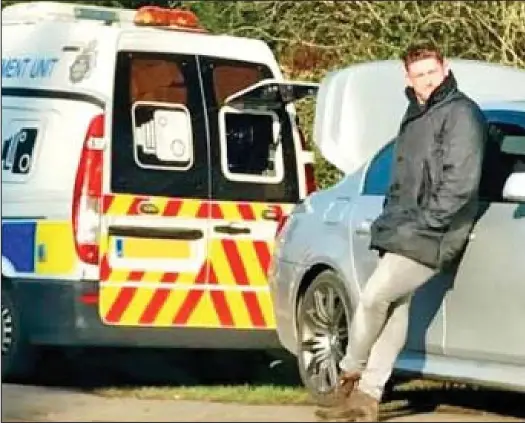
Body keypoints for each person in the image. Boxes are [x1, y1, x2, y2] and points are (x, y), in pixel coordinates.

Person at [316, 43, 488, 422]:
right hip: (405, 228)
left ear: (445, 69)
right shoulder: (417, 113)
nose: (427, 80)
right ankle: (366, 400)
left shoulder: (461, 114)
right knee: (395, 310)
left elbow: (460, 183)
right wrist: (395, 220)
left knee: (374, 298)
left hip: (432, 232)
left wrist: (426, 223)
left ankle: (349, 371)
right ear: (407, 78)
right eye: (419, 75)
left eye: (433, 72)